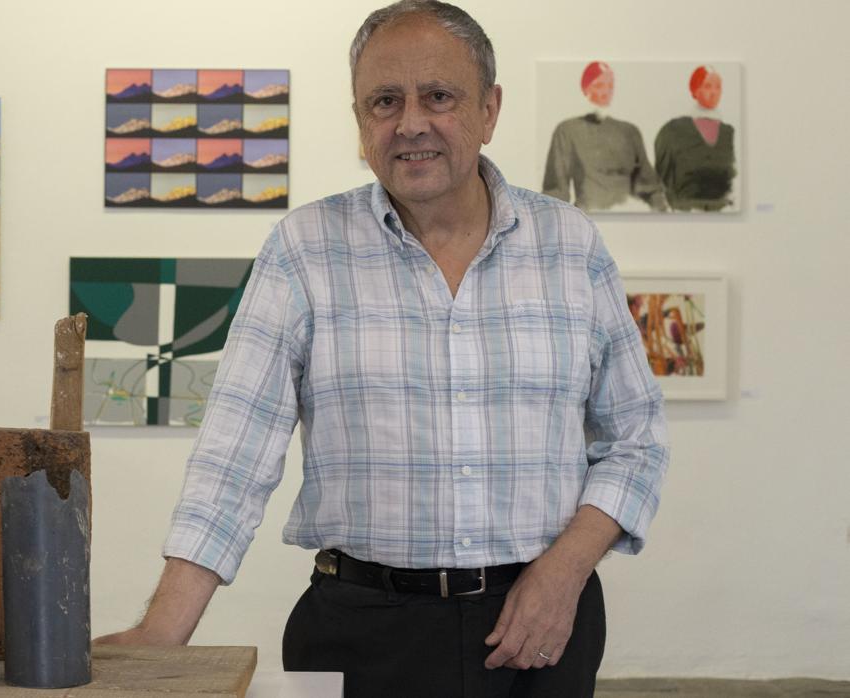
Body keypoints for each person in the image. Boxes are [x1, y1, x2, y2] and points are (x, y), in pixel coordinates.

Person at [96, 2, 669, 696]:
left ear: (489, 111)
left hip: (538, 626)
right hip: (358, 630)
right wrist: (164, 632)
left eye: (439, 97)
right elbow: (233, 454)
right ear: (359, 120)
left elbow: (634, 437)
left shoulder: (569, 246)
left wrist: (565, 570)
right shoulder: (303, 250)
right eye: (384, 101)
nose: (410, 123)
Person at [542, 61, 669, 212]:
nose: (606, 92)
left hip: (629, 216)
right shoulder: (567, 131)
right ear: (586, 90)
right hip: (587, 216)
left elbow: (649, 187)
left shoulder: (630, 131)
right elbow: (555, 191)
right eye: (599, 86)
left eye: (610, 86)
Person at [655, 65, 737, 212]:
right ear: (695, 90)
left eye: (718, 87)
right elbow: (662, 180)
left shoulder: (729, 133)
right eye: (707, 86)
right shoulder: (672, 130)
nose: (714, 93)